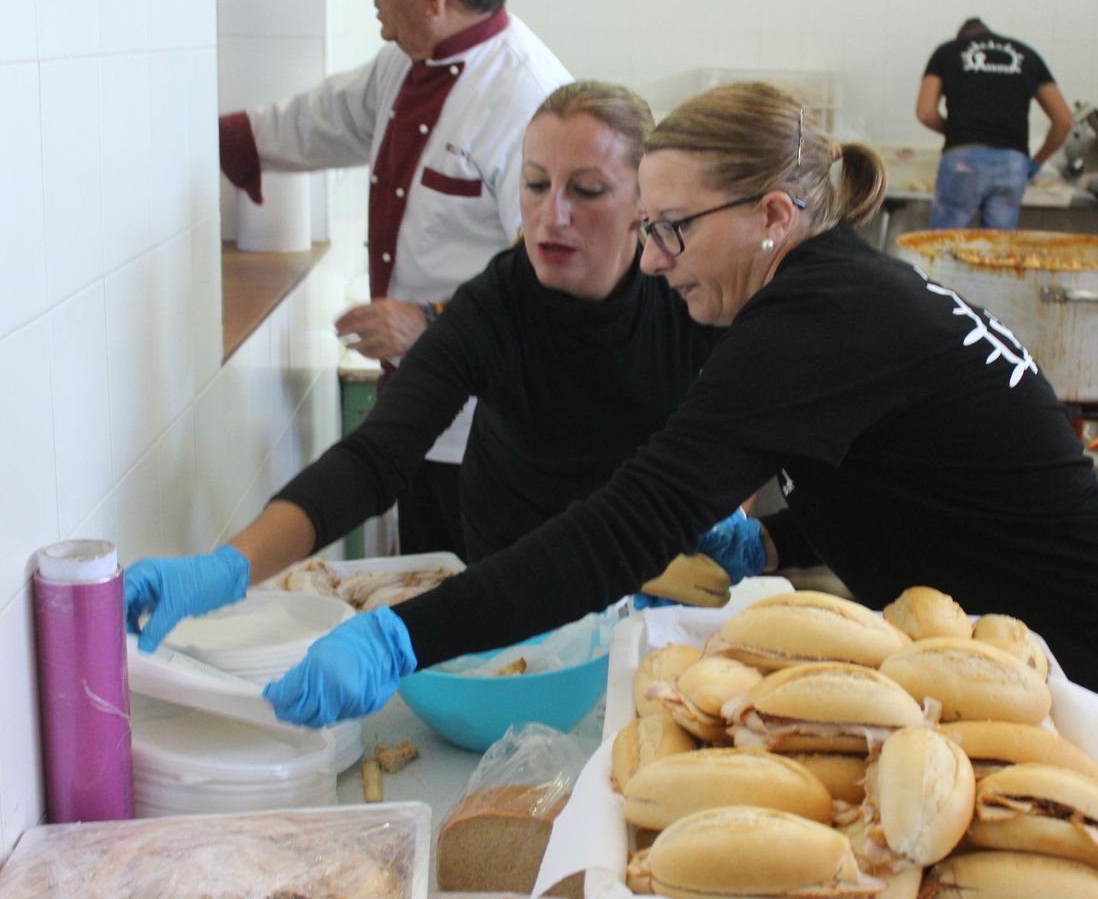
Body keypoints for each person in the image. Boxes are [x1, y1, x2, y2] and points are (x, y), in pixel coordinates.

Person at [220, 82, 1098, 878]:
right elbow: (921, 485)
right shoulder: (826, 289)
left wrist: (410, 633)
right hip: (1048, 678)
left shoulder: (811, 319)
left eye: (669, 229)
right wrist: (774, 543)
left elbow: (623, 524)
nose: (654, 261)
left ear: (772, 215)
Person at [126, 79, 717, 648]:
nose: (551, 216)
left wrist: (724, 513)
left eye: (586, 190)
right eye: (535, 185)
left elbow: (732, 418)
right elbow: (375, 458)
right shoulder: (495, 307)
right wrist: (229, 568)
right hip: (513, 584)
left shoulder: (686, 293)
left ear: (644, 202)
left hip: (650, 571)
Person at [219, 0, 571, 557]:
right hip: (422, 412)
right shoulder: (406, 65)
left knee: (486, 626)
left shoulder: (528, 98)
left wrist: (431, 322)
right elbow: (321, 119)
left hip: (488, 433)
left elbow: (554, 277)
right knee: (427, 593)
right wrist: (212, 139)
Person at [916, 17, 1074, 231]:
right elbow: (1064, 120)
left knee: (944, 245)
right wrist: (1035, 163)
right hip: (1012, 162)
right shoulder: (1027, 54)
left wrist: (957, 131)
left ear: (961, 36)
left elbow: (925, 113)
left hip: (963, 160)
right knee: (997, 252)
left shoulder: (947, 52)